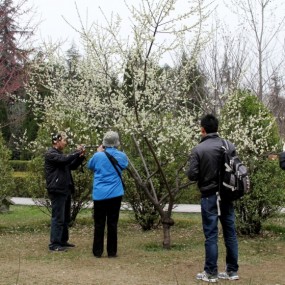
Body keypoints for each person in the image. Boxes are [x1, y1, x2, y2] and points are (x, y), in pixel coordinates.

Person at [186, 114, 239, 283]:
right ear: (217, 128)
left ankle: (211, 272)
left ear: (202, 129)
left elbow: (192, 175)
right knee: (230, 233)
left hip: (209, 196)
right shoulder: (228, 145)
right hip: (227, 195)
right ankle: (232, 271)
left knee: (211, 235)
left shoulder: (199, 149)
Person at [87, 131, 128, 258]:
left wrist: (99, 152)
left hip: (99, 194)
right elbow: (124, 166)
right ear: (116, 143)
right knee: (112, 223)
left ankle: (97, 251)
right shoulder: (121, 156)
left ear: (104, 142)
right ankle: (112, 251)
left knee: (99, 223)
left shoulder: (98, 156)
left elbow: (90, 166)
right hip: (115, 193)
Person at [44, 133, 85, 252]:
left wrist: (80, 157)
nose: (65, 143)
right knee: (58, 217)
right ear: (56, 141)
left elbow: (71, 165)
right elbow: (65, 160)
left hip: (65, 189)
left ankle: (63, 241)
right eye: (64, 141)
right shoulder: (50, 153)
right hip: (57, 189)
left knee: (66, 217)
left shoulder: (60, 155)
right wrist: (76, 152)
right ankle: (54, 244)